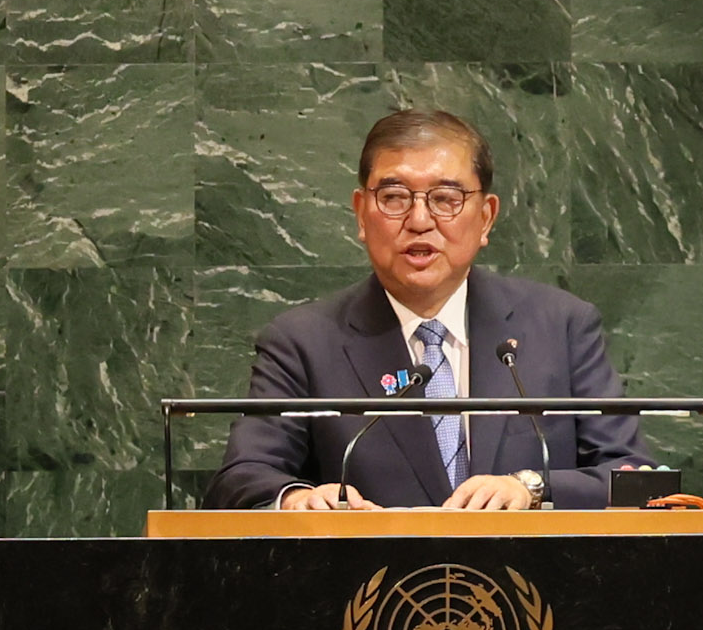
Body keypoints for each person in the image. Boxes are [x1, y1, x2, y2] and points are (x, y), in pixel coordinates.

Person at [203, 108, 647, 510]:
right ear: (361, 214)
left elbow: (634, 478)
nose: (419, 220)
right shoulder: (303, 342)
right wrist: (298, 499)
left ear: (486, 218)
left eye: (446, 199)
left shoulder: (561, 326)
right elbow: (241, 478)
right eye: (394, 197)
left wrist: (533, 486)